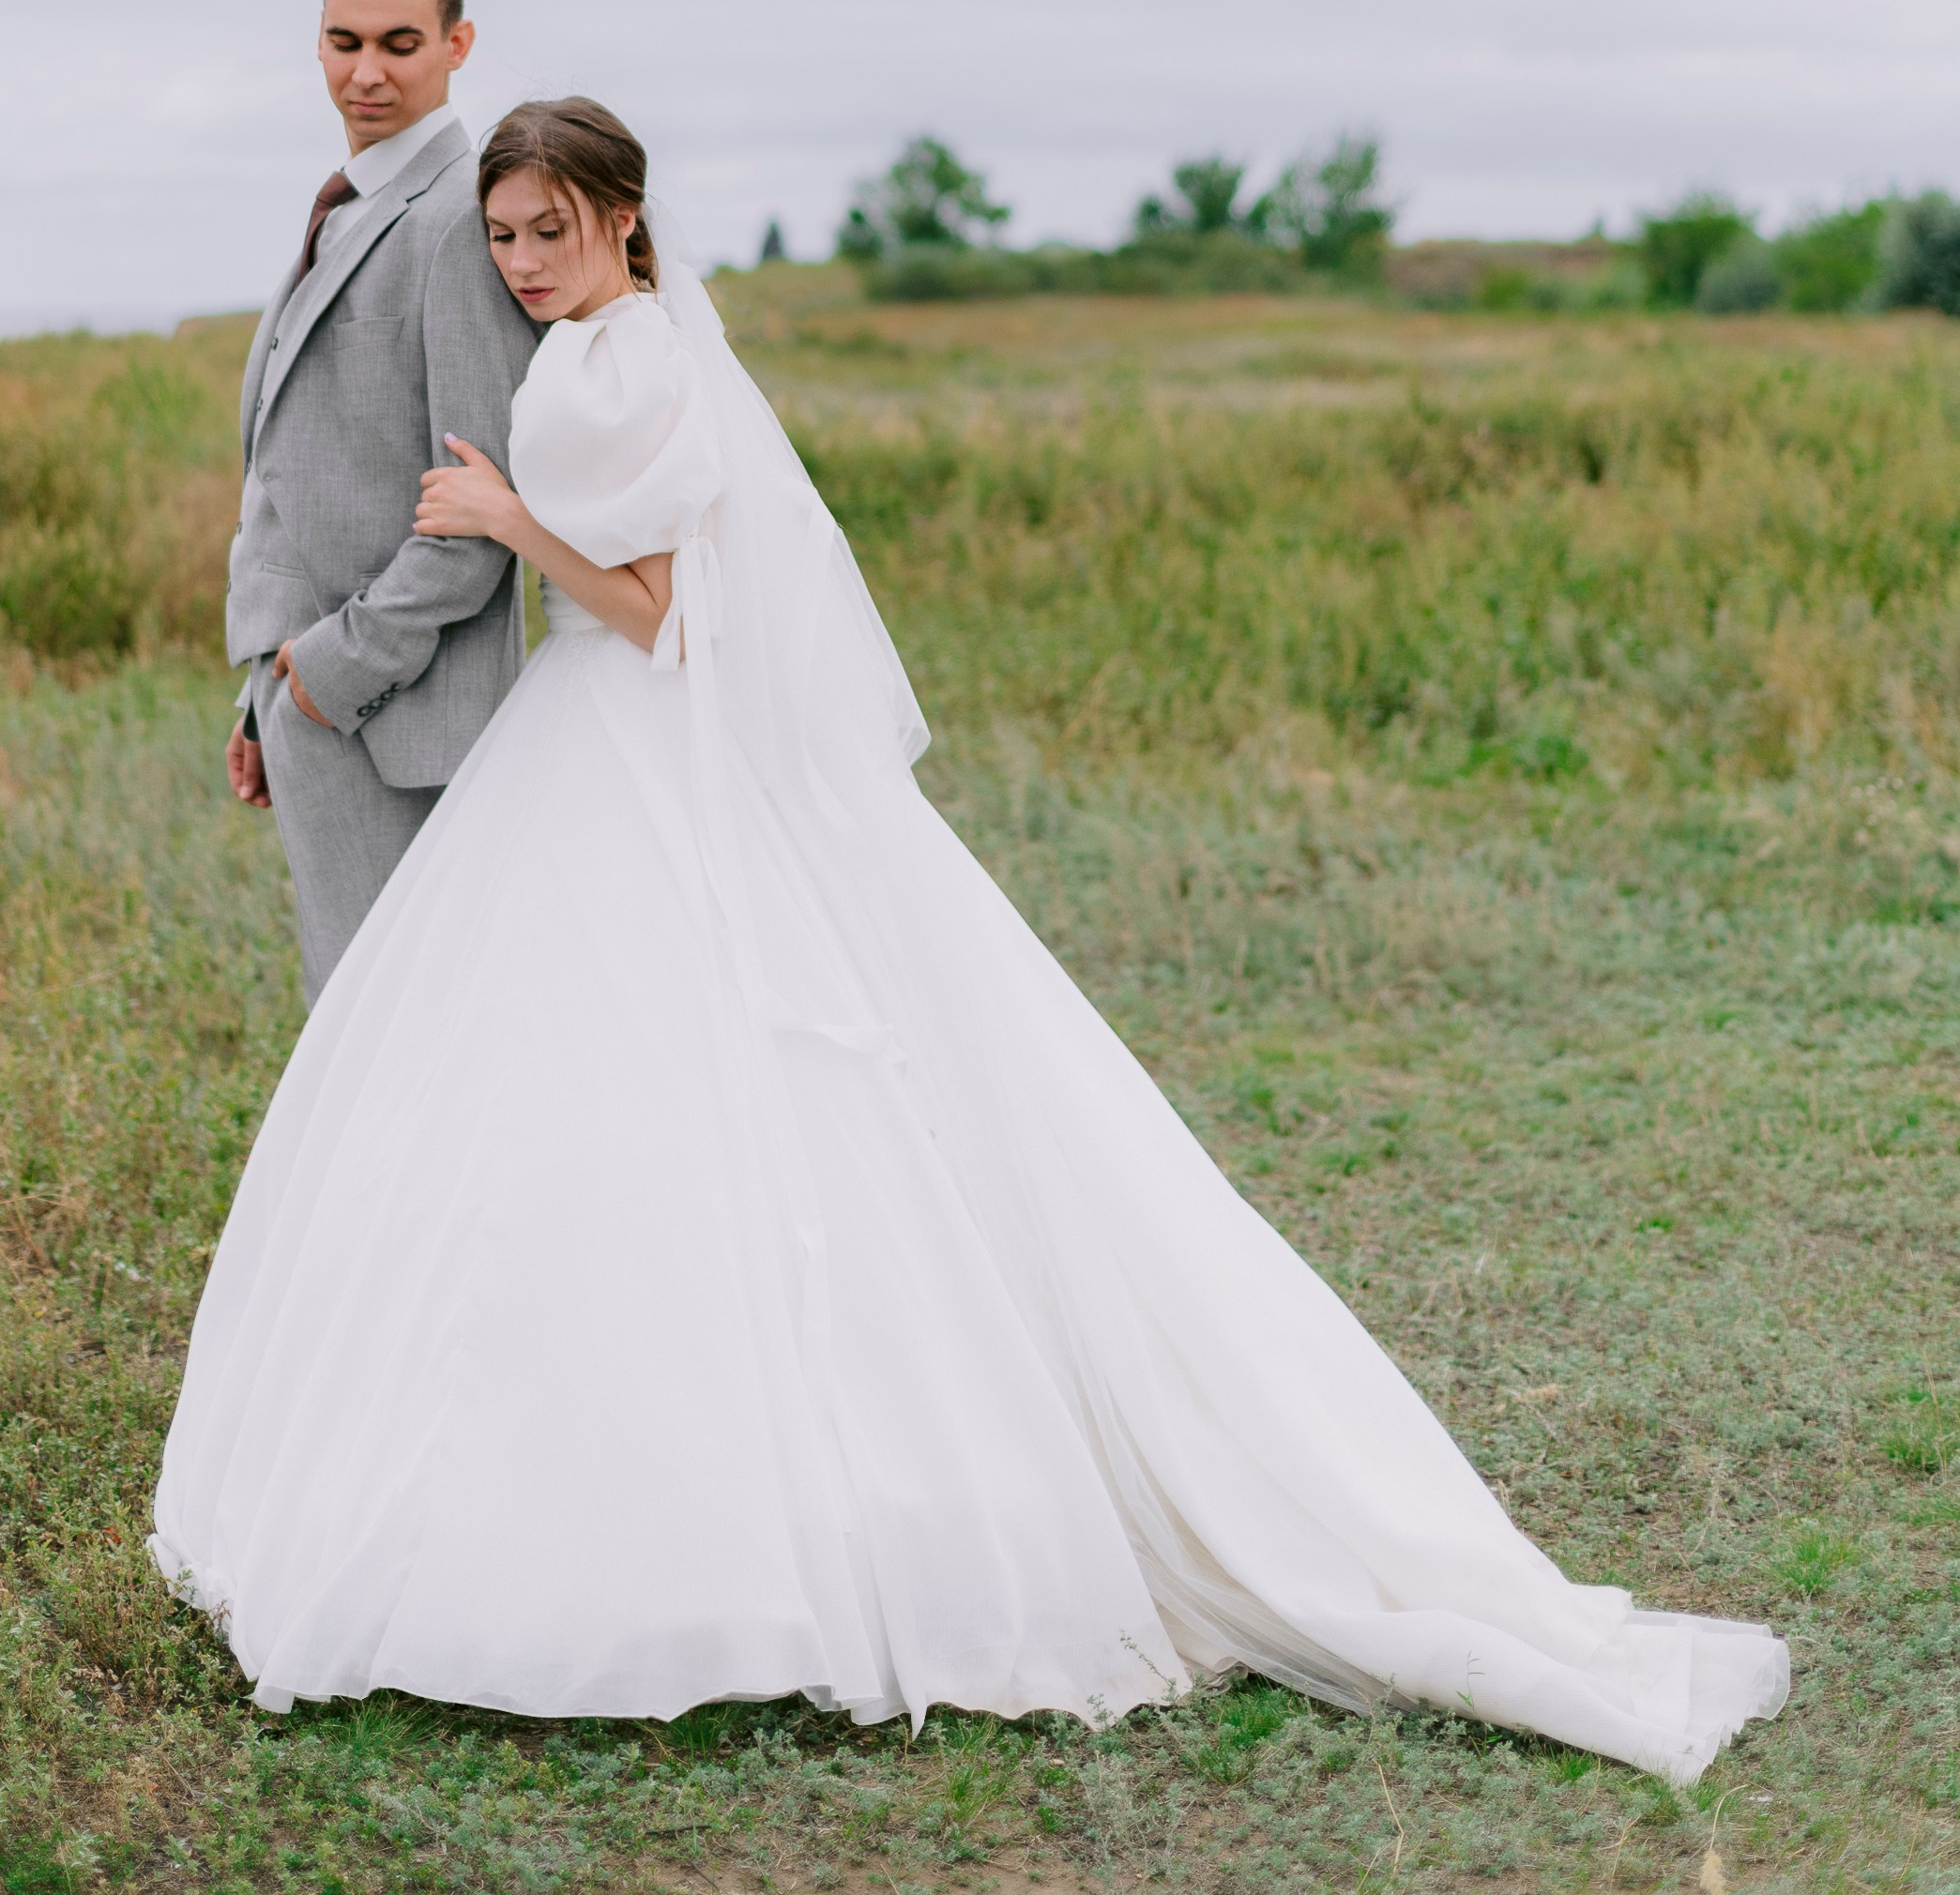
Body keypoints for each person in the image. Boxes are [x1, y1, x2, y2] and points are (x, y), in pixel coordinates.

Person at [156, 98, 1788, 1783]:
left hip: (630, 722)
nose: (520, 262)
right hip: (576, 750)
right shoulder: (580, 351)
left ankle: (765, 1544)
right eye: (503, 236)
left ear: (626, 222)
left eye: (548, 233)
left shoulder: (640, 360)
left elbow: (662, 618)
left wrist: (513, 531)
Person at [222, 0, 537, 1005]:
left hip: (399, 715)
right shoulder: (352, 203)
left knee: (395, 1035)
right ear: (315, 42)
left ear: (458, 44)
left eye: (400, 43)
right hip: (314, 705)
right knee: (356, 1025)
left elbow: (480, 521)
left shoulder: (460, 221)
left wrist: (324, 677)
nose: (367, 73)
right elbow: (295, 475)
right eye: (343, 41)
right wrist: (265, 694)